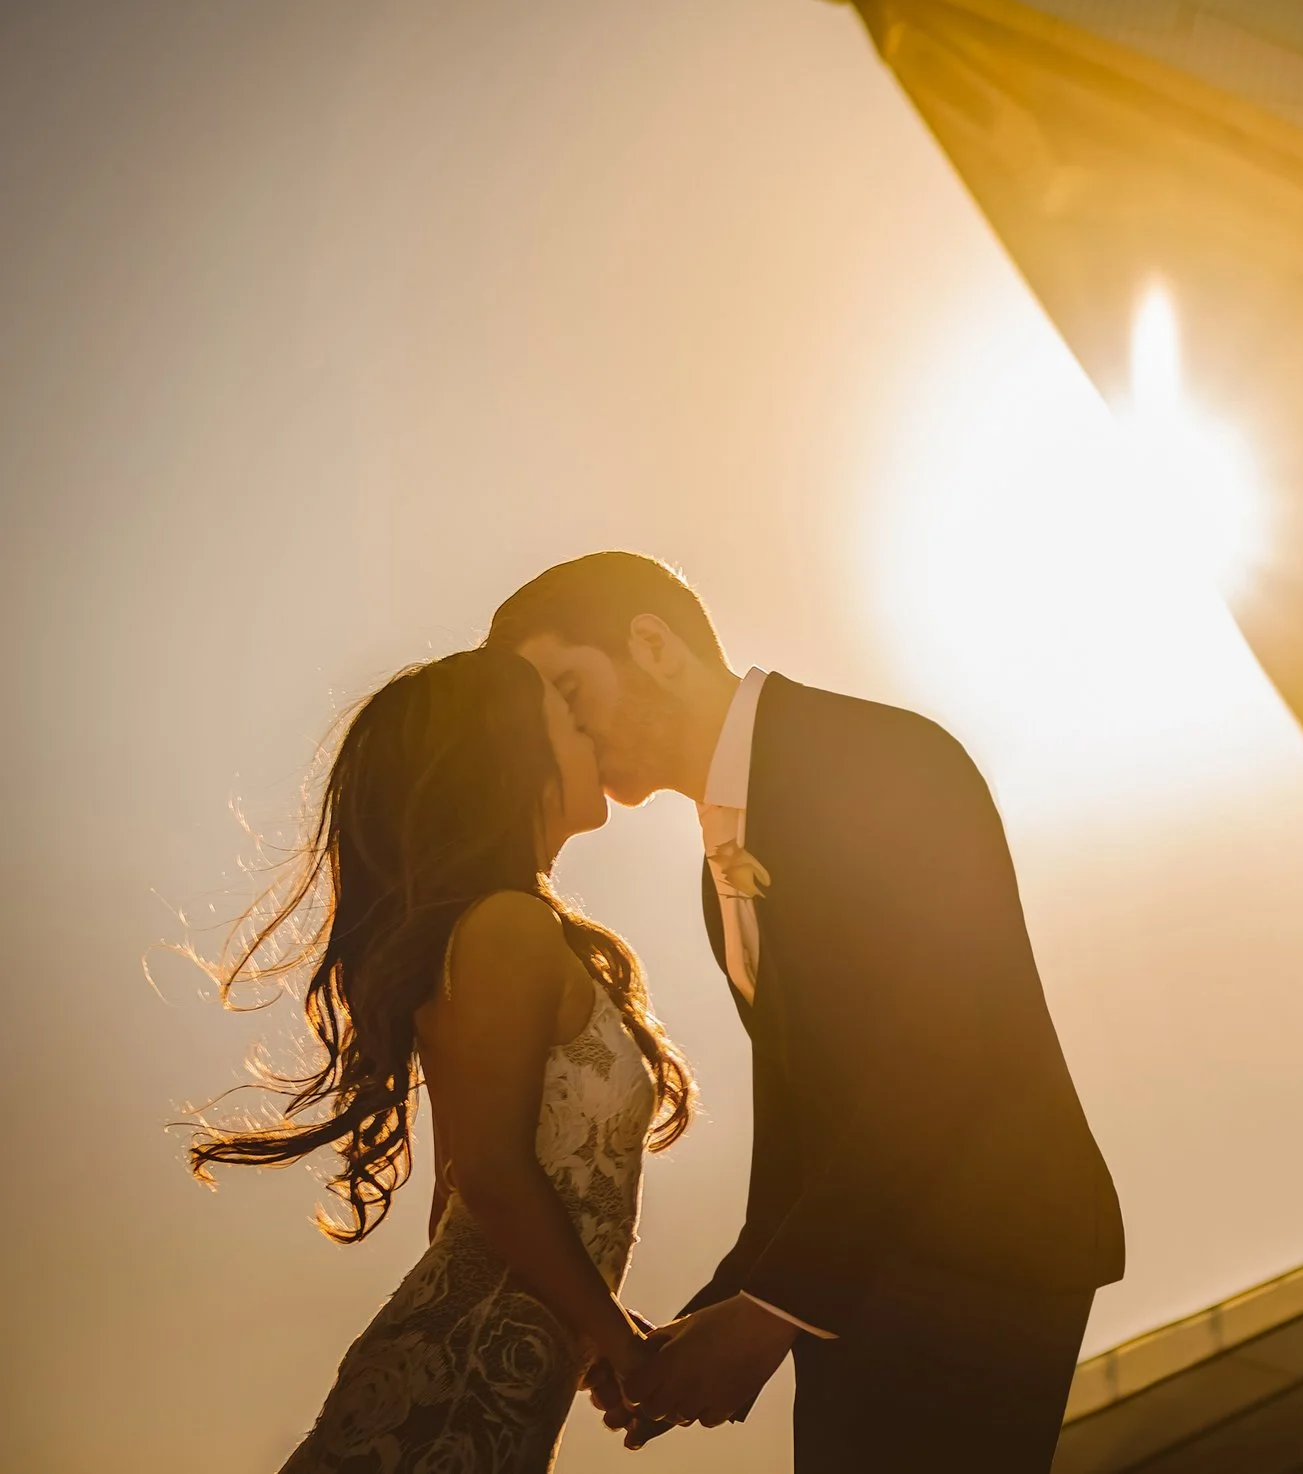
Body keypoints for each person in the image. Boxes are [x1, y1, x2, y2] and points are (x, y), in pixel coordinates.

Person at [488, 551, 1125, 1470]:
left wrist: (769, 1315)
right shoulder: (718, 877)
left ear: (653, 645)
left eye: (568, 688)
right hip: (863, 1276)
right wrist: (720, 1309)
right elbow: (807, 1130)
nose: (565, 730)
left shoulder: (878, 754)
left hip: (985, 1254)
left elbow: (938, 1046)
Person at [189, 646, 695, 1472]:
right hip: (452, 1383)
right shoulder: (506, 928)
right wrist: (618, 1341)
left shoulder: (509, 930)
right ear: (510, 755)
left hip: (486, 1372)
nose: (592, 730)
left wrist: (585, 1328)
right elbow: (489, 1177)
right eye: (567, 714)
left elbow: (456, 1196)